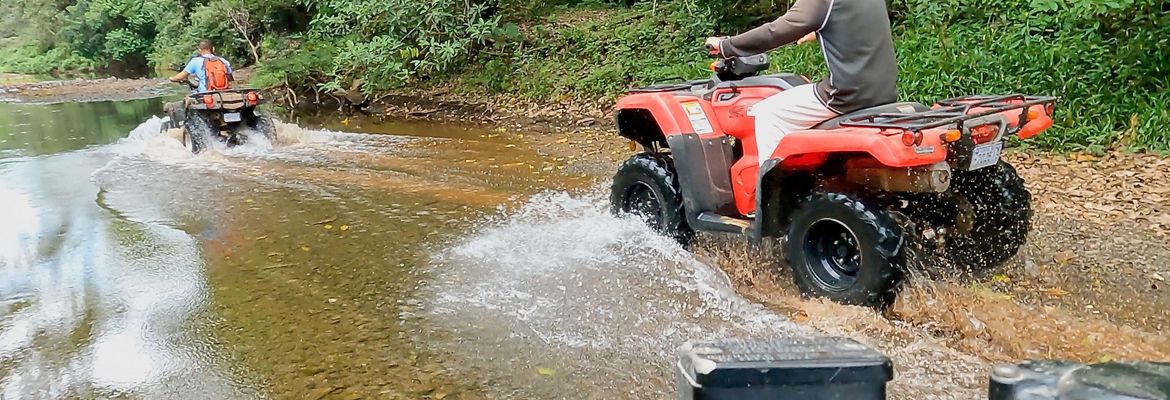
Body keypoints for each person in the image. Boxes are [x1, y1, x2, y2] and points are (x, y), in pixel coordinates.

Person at [705, 0, 899, 167]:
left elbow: (776, 31)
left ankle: (773, 199)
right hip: (884, 91)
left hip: (846, 94)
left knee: (768, 113)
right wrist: (822, 29)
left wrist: (726, 46)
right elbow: (855, 22)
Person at [168, 39, 234, 93]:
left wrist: (172, 78)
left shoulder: (195, 61)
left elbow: (180, 77)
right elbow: (230, 79)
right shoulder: (223, 61)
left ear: (199, 50)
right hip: (223, 92)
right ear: (213, 49)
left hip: (205, 93)